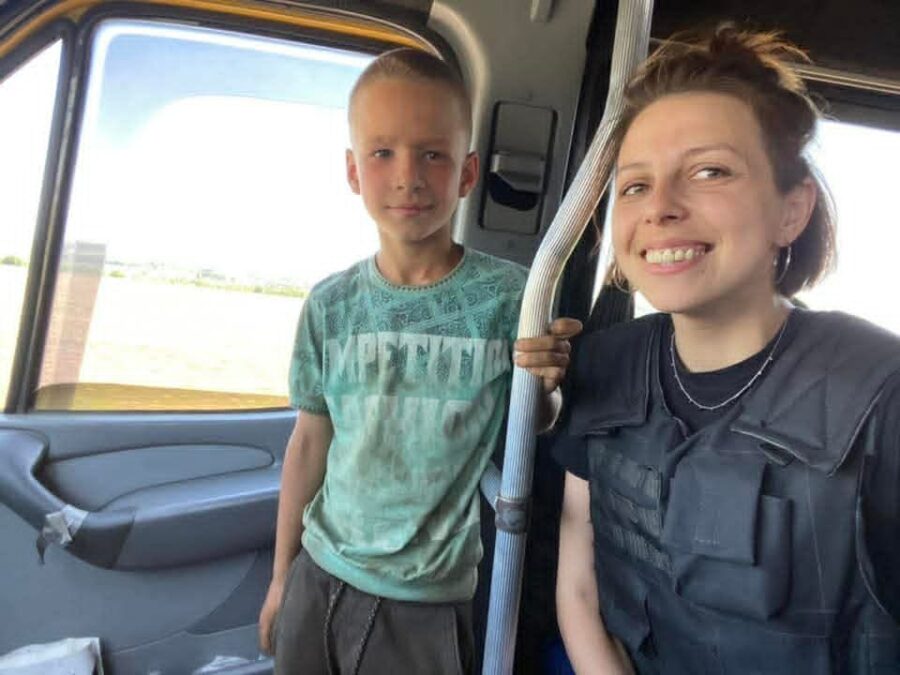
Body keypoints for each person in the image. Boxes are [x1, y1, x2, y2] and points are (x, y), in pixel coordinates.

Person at [554, 24, 900, 674]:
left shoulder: (881, 395)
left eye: (710, 171)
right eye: (635, 185)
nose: (660, 207)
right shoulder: (603, 364)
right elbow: (579, 568)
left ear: (791, 210)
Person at [257, 48, 581, 674]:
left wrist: (547, 384)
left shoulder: (512, 297)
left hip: (428, 602)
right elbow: (309, 444)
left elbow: (532, 423)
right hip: (318, 575)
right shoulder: (331, 305)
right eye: (383, 153)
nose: (408, 176)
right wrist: (280, 577)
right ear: (353, 172)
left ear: (467, 173)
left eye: (433, 154)